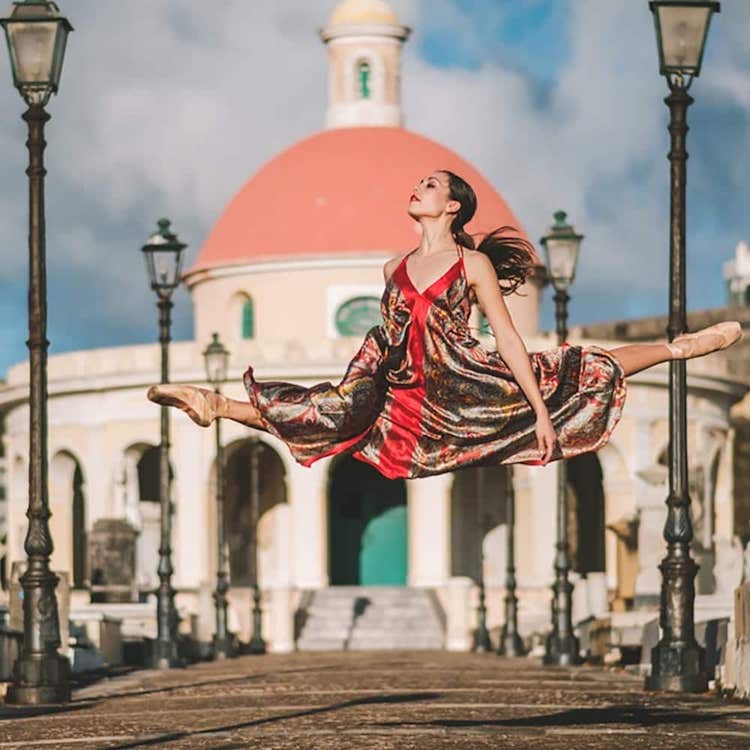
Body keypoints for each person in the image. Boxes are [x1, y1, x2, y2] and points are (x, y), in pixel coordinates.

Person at [147, 170, 742, 479]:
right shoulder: (392, 266)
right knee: (320, 415)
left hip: (463, 378)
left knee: (569, 369)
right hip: (396, 383)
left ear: (452, 206)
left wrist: (538, 413)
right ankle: (214, 403)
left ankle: (674, 347)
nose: (418, 188)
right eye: (420, 183)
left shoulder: (472, 262)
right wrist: (365, 385)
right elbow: (390, 328)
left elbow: (507, 337)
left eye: (430, 185)